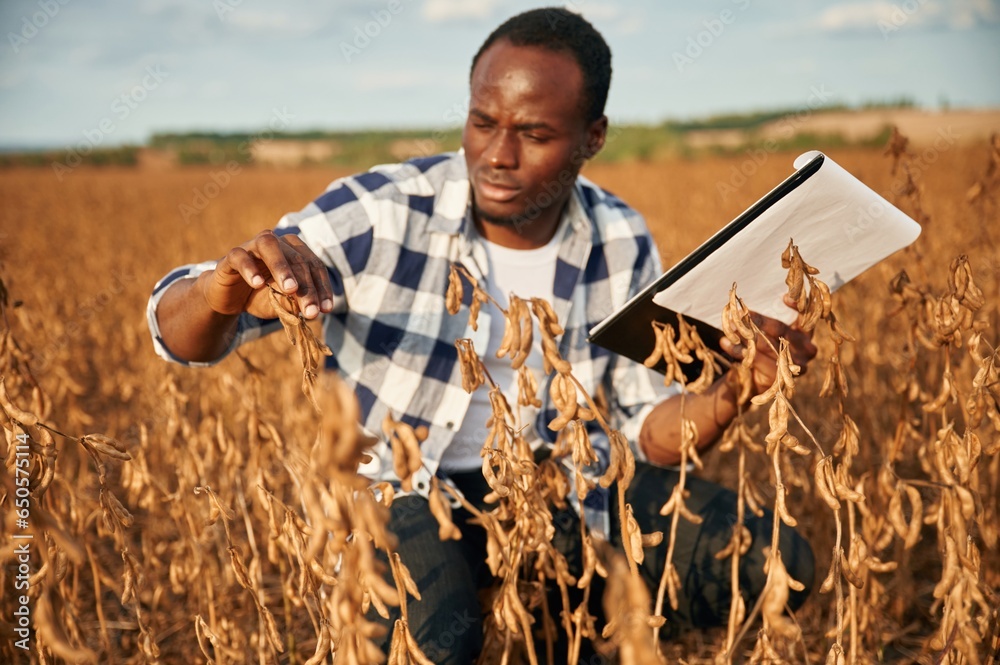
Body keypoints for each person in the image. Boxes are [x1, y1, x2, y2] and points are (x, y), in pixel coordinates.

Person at [147, 7, 816, 662]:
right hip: (401, 492)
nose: (497, 155)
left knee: (776, 562)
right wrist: (222, 292)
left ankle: (561, 618)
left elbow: (647, 435)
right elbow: (178, 334)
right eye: (482, 121)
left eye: (534, 133)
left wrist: (735, 391)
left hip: (557, 486)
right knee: (436, 642)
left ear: (593, 135)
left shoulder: (618, 236)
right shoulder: (385, 210)